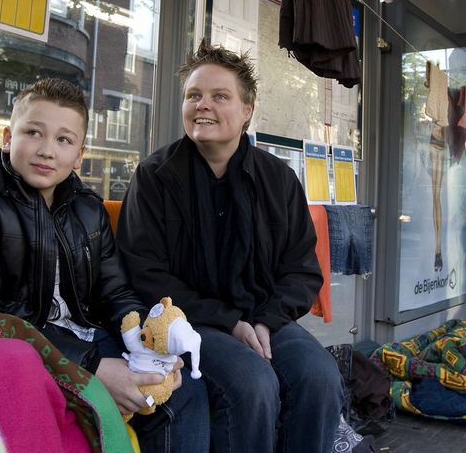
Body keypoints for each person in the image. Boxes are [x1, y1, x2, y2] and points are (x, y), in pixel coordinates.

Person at [0, 78, 209, 451]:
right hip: (18, 348)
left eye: (63, 140)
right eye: (33, 133)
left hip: (84, 336)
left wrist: (146, 346)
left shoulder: (86, 207)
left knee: (182, 390)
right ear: (8, 137)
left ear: (79, 154)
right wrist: (91, 367)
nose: (46, 151)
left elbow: (115, 291)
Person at [116, 41, 343, 453]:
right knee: (251, 383)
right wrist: (229, 321)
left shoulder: (279, 180)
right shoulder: (155, 176)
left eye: (220, 96)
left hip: (263, 317)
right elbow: (144, 271)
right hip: (188, 322)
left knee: (320, 376)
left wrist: (264, 322)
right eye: (194, 95)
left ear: (247, 110)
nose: (203, 105)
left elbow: (302, 269)